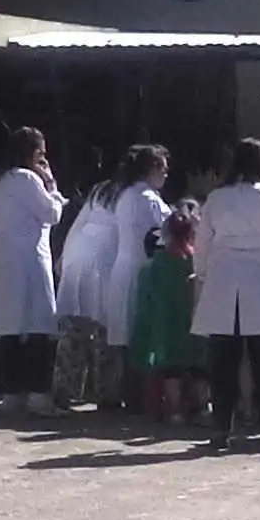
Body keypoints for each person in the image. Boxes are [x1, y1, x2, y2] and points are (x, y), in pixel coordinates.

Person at [192, 138, 260, 449]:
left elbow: (202, 245)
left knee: (222, 363)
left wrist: (201, 277)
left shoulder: (216, 199)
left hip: (223, 282)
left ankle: (221, 429)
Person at [0, 127, 67, 417]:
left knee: (10, 327)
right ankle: (39, 395)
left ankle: (12, 394)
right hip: (30, 259)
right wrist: (52, 185)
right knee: (38, 325)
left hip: (3, 262)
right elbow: (52, 214)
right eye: (41, 154)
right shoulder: (28, 179)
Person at [101, 145, 175, 408]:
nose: (166, 173)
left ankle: (117, 393)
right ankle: (136, 397)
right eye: (163, 168)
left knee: (123, 336)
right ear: (151, 169)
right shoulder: (148, 199)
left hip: (122, 269)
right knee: (139, 335)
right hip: (142, 271)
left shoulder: (125, 195)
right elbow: (161, 235)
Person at [130, 210, 207, 424]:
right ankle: (202, 408)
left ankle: (175, 410)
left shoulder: (158, 262)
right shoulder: (197, 261)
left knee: (171, 366)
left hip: (166, 321)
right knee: (199, 365)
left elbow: (149, 294)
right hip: (194, 319)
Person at [51, 175, 121, 408]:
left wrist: (64, 258)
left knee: (75, 329)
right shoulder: (130, 195)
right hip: (104, 263)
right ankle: (107, 393)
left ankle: (64, 389)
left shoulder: (100, 191)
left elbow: (77, 227)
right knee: (105, 333)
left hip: (78, 258)